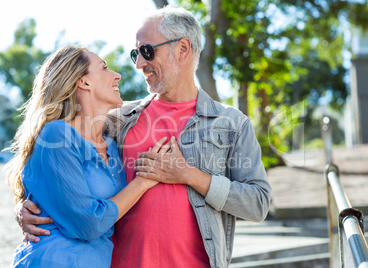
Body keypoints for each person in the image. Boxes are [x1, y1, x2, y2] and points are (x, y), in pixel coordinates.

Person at [16, 6, 272, 267]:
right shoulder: (117, 119)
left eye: (147, 51)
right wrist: (29, 207)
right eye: (135, 54)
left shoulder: (231, 123)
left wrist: (189, 175)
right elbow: (58, 172)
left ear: (182, 49)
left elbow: (259, 203)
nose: (139, 64)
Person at [6, 45, 170, 267]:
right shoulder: (57, 135)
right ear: (83, 82)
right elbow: (88, 224)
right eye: (104, 68)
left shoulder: (112, 146)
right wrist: (143, 181)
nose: (117, 75)